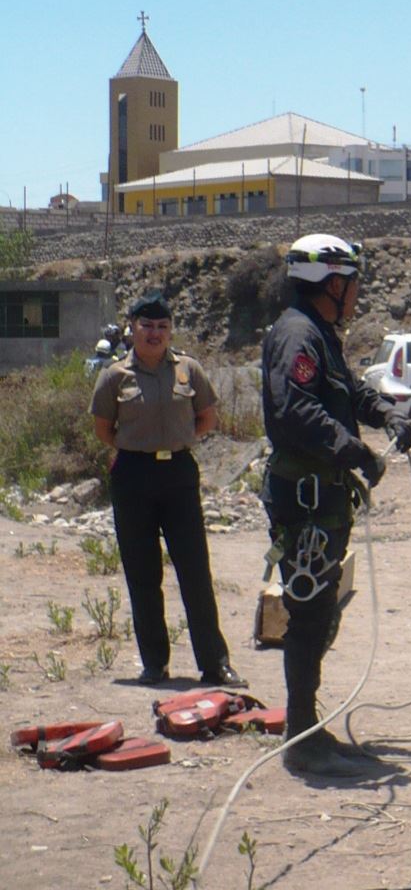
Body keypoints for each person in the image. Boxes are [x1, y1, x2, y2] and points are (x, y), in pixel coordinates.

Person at [262, 234, 411, 777]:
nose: (357, 294)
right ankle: (302, 740)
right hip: (305, 498)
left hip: (320, 494)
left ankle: (307, 725)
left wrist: (386, 415)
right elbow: (295, 411)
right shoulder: (298, 335)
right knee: (309, 616)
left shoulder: (318, 334)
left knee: (320, 610)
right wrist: (357, 452)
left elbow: (344, 391)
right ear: (333, 284)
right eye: (353, 284)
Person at [89, 293, 240, 688]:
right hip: (133, 476)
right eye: (147, 325)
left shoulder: (189, 369)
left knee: (195, 572)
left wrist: (178, 438)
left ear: (170, 330)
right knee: (143, 574)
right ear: (132, 328)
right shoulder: (114, 376)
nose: (155, 333)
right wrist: (133, 447)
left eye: (162, 326)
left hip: (178, 474)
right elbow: (104, 427)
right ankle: (154, 664)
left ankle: (215, 664)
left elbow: (206, 417)